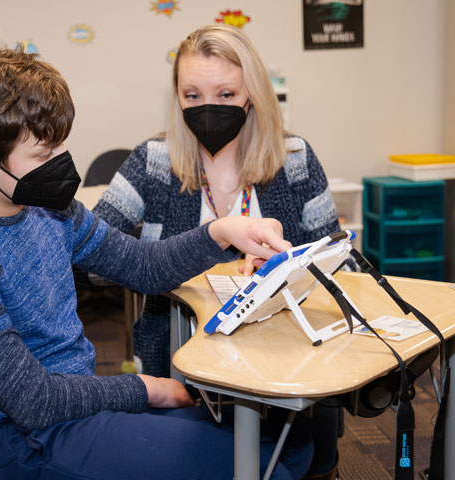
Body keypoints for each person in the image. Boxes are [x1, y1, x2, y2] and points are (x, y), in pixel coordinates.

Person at [0, 42, 314, 479]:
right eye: (44, 156)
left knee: (291, 445)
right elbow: (30, 399)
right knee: (262, 468)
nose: (61, 163)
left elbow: (142, 267)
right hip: (16, 440)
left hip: (73, 410)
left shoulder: (52, 211)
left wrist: (223, 231)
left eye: (60, 146)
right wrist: (146, 389)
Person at [92, 25, 342, 479]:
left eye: (226, 94)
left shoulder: (296, 158)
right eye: (192, 95)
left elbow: (335, 263)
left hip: (288, 354)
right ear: (177, 98)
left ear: (254, 96)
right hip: (180, 356)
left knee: (308, 459)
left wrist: (288, 265)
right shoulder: (153, 161)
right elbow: (93, 258)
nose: (209, 109)